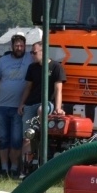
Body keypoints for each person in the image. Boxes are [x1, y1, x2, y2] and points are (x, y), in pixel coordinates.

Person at [18, 41, 67, 172]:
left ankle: (40, 133)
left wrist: (57, 108)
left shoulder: (56, 67)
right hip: (30, 104)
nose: (32, 55)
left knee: (41, 109)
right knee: (26, 137)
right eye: (31, 53)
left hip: (47, 103)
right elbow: (28, 87)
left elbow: (58, 89)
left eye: (34, 53)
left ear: (43, 52)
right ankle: (25, 169)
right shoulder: (32, 67)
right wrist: (22, 104)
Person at [0, 34, 32, 178]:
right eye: (16, 45)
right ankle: (4, 168)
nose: (19, 48)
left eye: (21, 45)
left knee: (16, 139)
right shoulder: (3, 60)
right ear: (12, 46)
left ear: (25, 46)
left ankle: (14, 168)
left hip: (19, 108)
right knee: (3, 138)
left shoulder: (30, 58)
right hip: (1, 106)